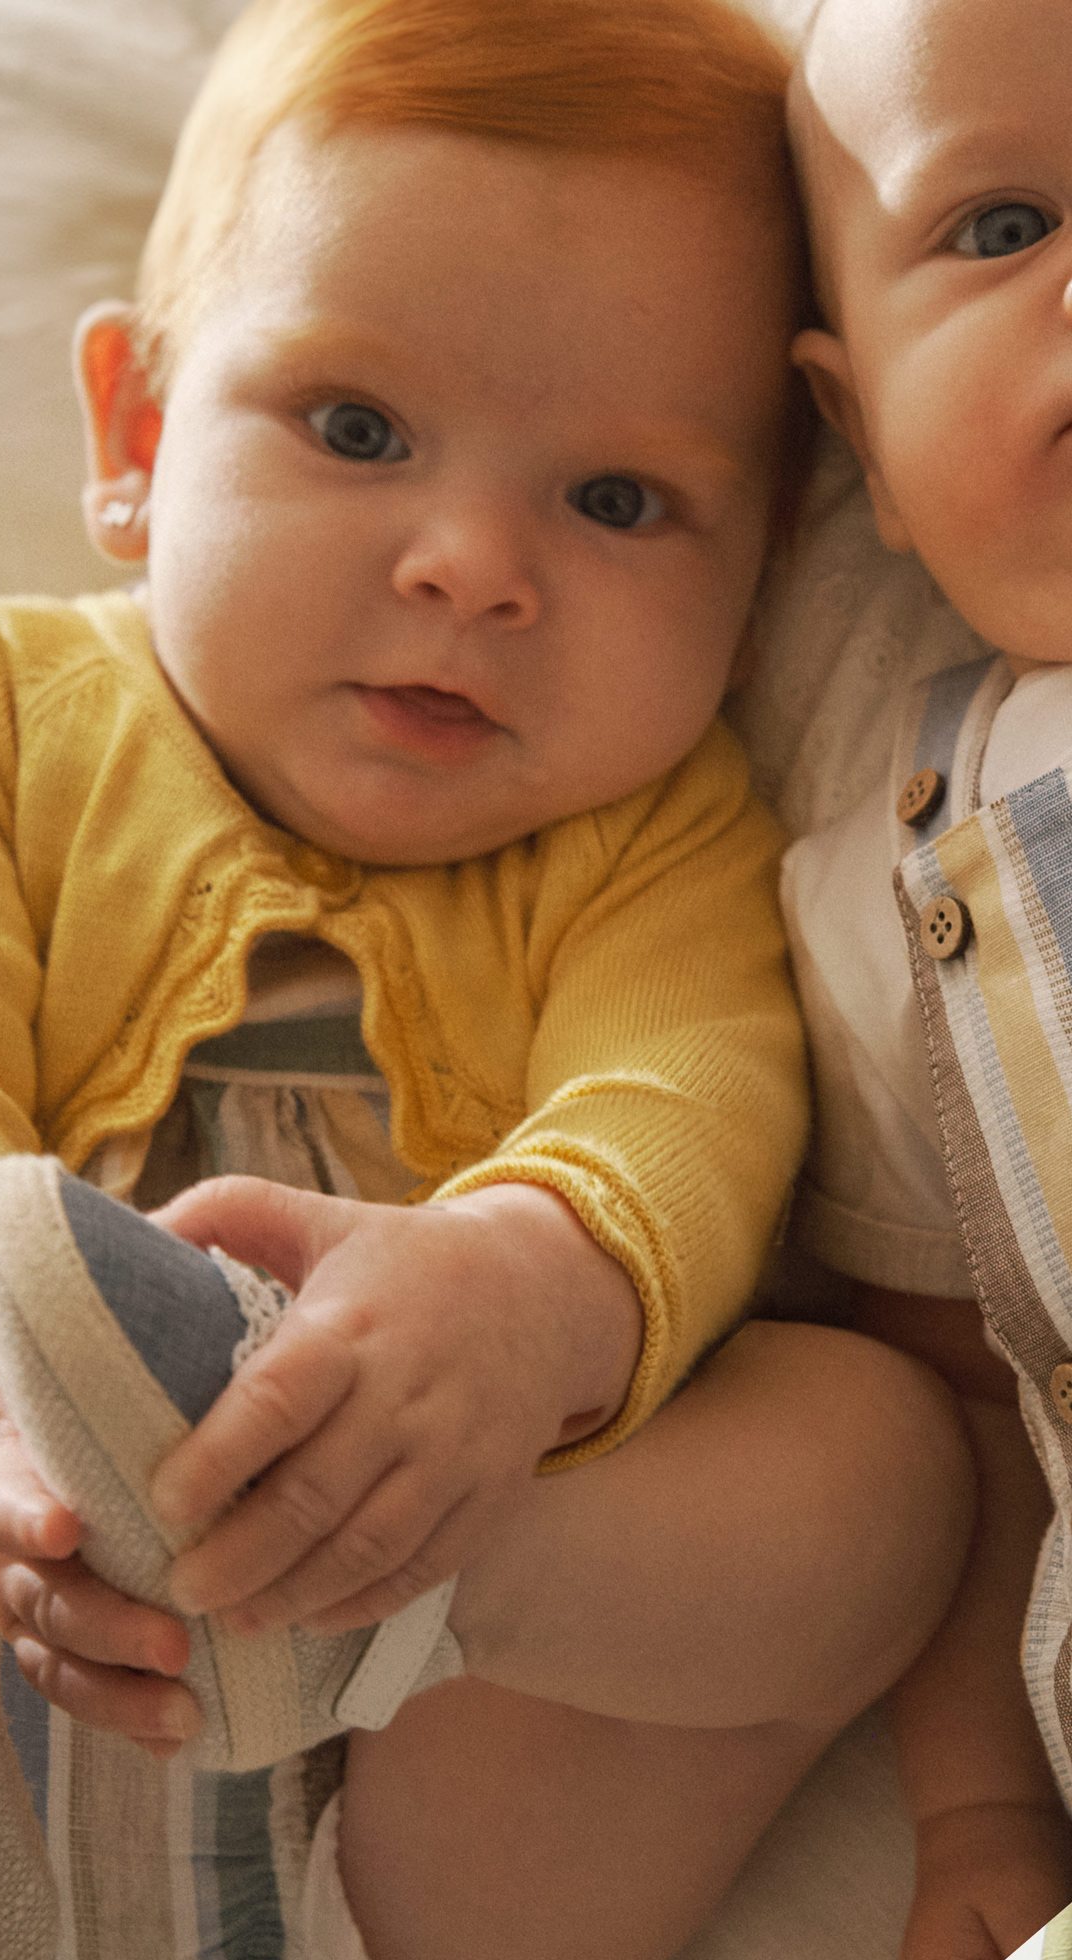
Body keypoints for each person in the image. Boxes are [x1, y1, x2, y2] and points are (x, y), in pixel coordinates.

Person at [0, 0, 977, 1954]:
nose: (467, 561)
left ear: (764, 559)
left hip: (414, 1714)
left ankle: (367, 1660)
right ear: (133, 437)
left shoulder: (664, 832)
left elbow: (683, 1101)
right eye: (356, 430)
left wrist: (526, 1298)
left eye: (615, 501)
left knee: (875, 1461)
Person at [782, 0, 1072, 1953]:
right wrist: (977, 1806)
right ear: (858, 436)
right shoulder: (890, 874)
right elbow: (958, 1401)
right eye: (996, 225)